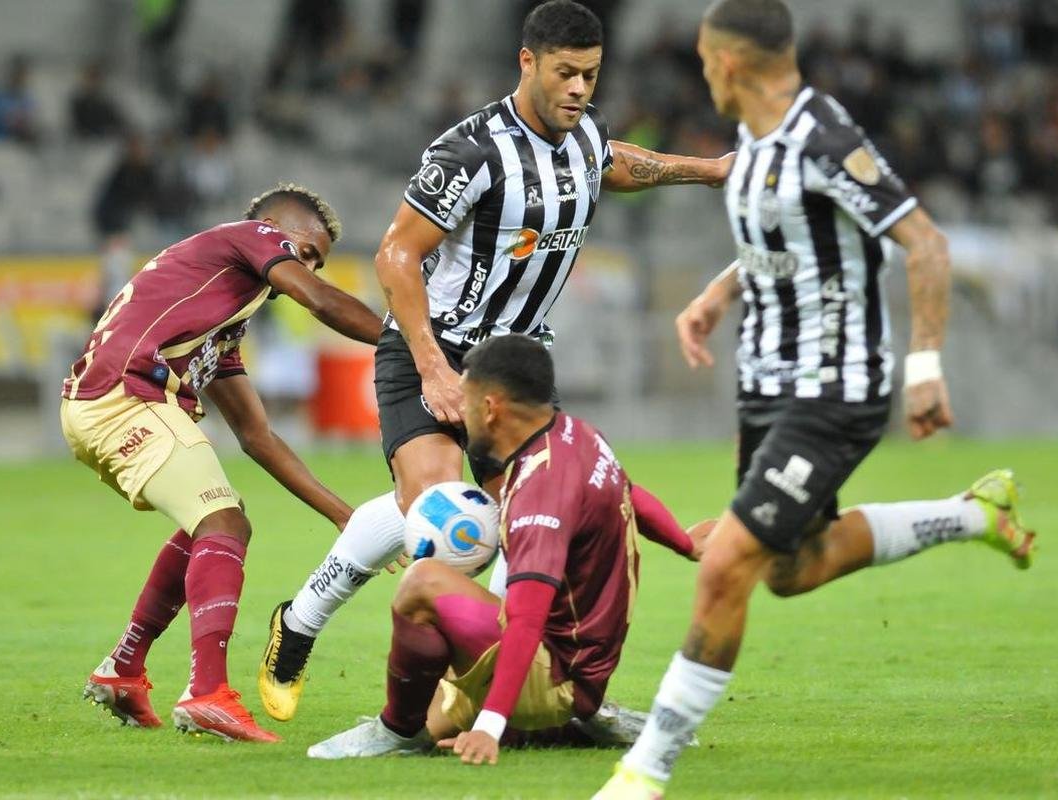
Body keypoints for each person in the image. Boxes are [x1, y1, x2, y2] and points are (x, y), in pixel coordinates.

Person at [592, 2, 1038, 797]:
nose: (701, 75)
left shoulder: (822, 139)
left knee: (726, 564)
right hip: (764, 385)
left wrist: (925, 364)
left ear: (727, 64)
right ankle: (976, 513)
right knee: (789, 571)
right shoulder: (755, 143)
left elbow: (923, 243)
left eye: (703, 62)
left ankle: (643, 772)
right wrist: (718, 293)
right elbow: (787, 237)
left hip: (833, 390)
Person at [258, 0, 727, 723]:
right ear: (527, 63)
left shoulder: (584, 135)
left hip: (515, 363)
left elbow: (615, 164)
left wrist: (708, 169)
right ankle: (308, 627)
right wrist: (433, 368)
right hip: (433, 346)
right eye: (565, 73)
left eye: (590, 76)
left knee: (528, 514)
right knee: (452, 518)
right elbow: (395, 255)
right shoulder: (470, 150)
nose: (578, 89)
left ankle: (491, 687)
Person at [62, 183, 382, 742]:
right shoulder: (247, 235)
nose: (306, 268)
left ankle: (123, 668)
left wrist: (342, 515)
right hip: (125, 395)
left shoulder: (218, 325)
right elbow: (321, 300)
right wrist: (408, 341)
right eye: (304, 251)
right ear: (274, 229)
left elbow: (257, 437)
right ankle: (207, 692)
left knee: (212, 523)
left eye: (318, 261)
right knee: (224, 524)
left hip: (101, 405)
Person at [307, 334, 652, 761]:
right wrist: (684, 541)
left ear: (490, 409)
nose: (456, 413)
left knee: (423, 582)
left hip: (557, 672)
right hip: (580, 667)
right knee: (436, 716)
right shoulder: (579, 438)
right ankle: (569, 725)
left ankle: (396, 731)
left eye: (464, 401)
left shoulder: (535, 493)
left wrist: (490, 727)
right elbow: (630, 492)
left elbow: (525, 619)